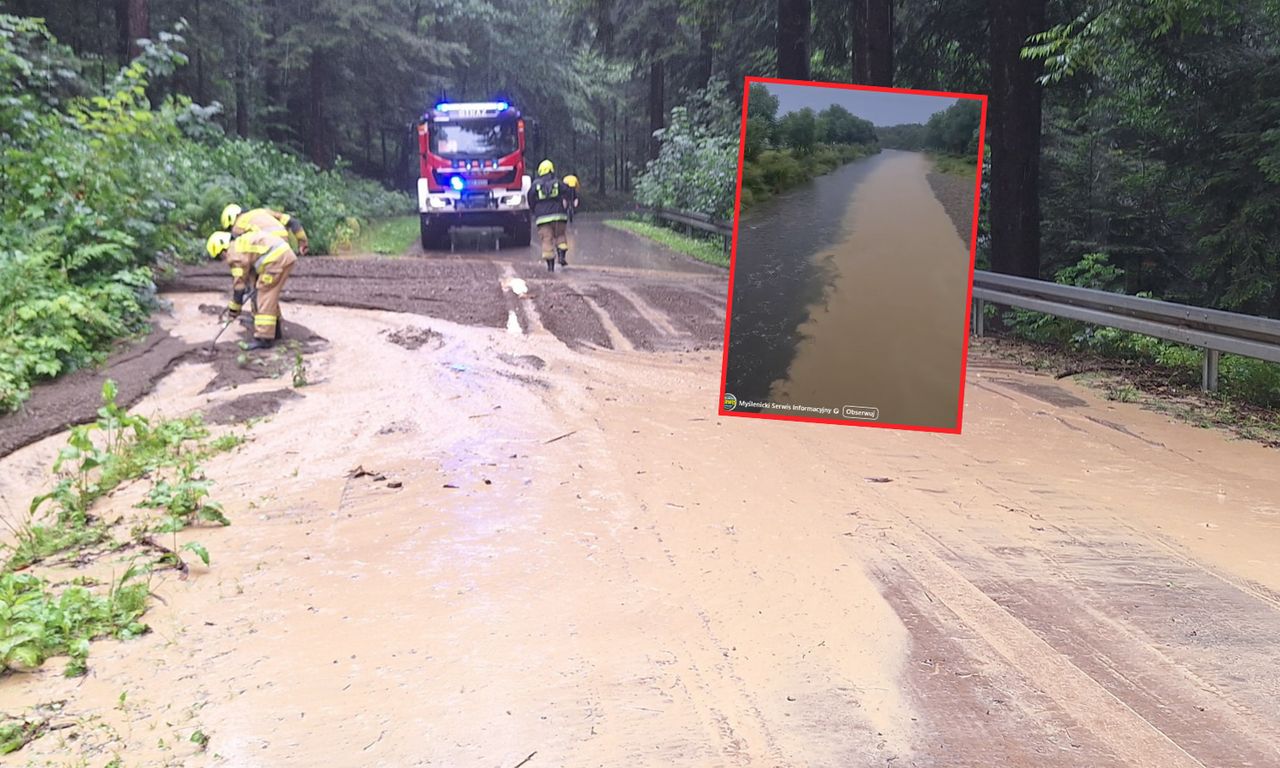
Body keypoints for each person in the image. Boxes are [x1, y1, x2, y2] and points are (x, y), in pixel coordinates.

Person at [206, 228, 298, 350]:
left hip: (276, 260)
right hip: (281, 256)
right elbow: (250, 273)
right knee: (268, 295)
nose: (224, 259)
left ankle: (264, 338)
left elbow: (239, 287)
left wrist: (234, 309)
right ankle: (275, 331)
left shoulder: (233, 254)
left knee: (264, 296)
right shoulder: (240, 244)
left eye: (220, 256)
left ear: (222, 249)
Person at [221, 204, 310, 256]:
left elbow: (234, 246)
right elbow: (293, 222)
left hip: (268, 246)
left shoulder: (238, 224)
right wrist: (303, 243)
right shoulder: (263, 211)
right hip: (284, 246)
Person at [529, 160, 570, 271]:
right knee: (560, 235)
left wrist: (534, 210)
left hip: (542, 218)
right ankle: (561, 257)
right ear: (551, 170)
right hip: (559, 215)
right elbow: (568, 191)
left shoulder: (535, 185)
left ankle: (550, 267)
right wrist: (566, 202)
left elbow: (530, 198)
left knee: (547, 240)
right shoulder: (558, 182)